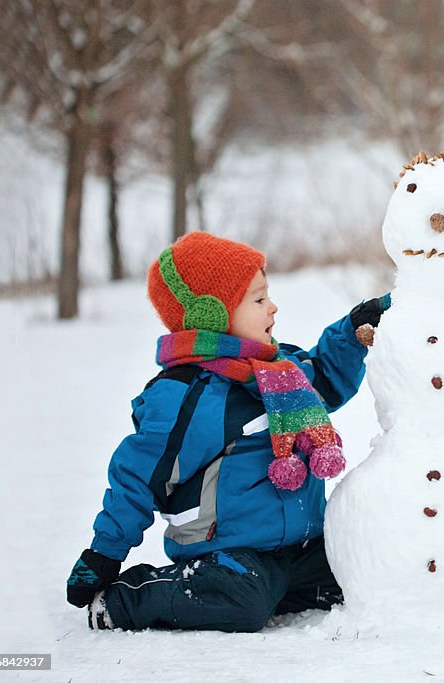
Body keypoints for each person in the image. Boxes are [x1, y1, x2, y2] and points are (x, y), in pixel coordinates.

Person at [66, 231, 387, 632]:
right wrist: (103, 555)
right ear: (212, 316)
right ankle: (133, 597)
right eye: (258, 299)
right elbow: (137, 479)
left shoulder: (278, 370)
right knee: (243, 600)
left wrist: (354, 329)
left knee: (362, 568)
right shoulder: (187, 396)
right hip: (226, 554)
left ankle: (283, 587)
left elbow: (322, 376)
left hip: (296, 548)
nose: (273, 307)